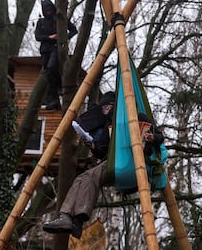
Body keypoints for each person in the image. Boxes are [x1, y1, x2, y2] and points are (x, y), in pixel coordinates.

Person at [42, 96, 165, 239]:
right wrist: (91, 145)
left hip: (134, 162)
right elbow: (102, 150)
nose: (105, 111)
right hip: (115, 162)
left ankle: (78, 219)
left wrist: (152, 138)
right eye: (103, 109)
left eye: (107, 108)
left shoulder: (140, 118)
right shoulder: (111, 126)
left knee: (90, 175)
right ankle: (66, 217)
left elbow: (159, 136)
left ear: (116, 107)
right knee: (80, 178)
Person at [35, 0, 78, 110]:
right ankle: (53, 100)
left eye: (50, 9)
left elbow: (74, 30)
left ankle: (59, 87)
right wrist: (49, 37)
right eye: (46, 10)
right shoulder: (41, 22)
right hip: (45, 50)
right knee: (48, 74)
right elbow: (37, 36)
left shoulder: (59, 20)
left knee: (52, 67)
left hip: (56, 48)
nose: (48, 12)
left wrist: (63, 38)